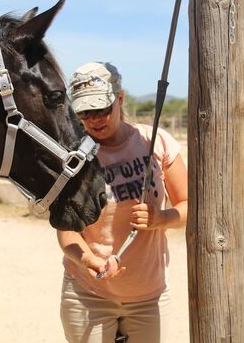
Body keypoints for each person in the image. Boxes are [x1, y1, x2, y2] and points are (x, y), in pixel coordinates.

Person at [57, 61, 188, 343]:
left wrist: (161, 219)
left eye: (102, 108)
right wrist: (87, 259)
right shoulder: (72, 158)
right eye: (84, 112)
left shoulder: (156, 141)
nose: (94, 119)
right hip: (88, 294)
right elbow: (66, 230)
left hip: (149, 296)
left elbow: (190, 206)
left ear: (119, 98)